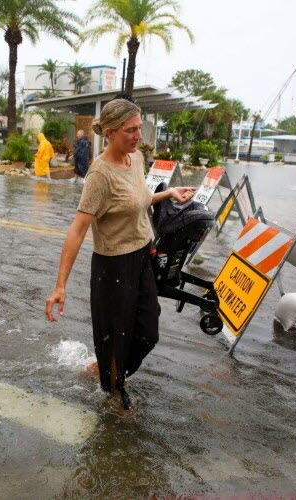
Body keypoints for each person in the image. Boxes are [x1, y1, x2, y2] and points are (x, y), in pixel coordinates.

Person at [44, 99, 195, 409]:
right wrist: (60, 285)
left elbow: (136, 199)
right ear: (110, 132)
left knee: (147, 333)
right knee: (116, 339)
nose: (138, 135)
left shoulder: (135, 159)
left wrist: (167, 194)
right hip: (113, 265)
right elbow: (78, 228)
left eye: (139, 128)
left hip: (142, 257)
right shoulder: (99, 174)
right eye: (131, 130)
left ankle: (102, 371)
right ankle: (115, 395)